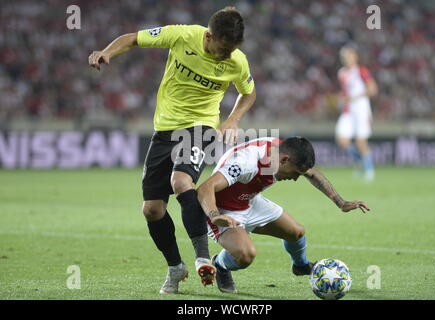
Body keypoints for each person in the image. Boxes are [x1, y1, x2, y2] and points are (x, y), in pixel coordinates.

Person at [88, 7, 256, 294]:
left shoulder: (237, 61)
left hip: (200, 127)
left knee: (180, 181)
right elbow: (133, 39)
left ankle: (204, 258)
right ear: (209, 36)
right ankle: (175, 267)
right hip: (164, 130)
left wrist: (232, 119)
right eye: (223, 48)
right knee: (152, 210)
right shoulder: (182, 35)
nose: (227, 55)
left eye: (232, 50)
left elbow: (249, 92)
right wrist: (107, 52)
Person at [197, 136, 370, 293]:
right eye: (295, 173)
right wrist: (214, 216)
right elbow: (205, 188)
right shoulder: (246, 162)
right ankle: (220, 265)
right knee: (246, 255)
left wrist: (341, 203)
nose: (295, 179)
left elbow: (312, 173)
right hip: (222, 210)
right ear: (284, 160)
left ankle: (300, 266)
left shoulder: (283, 152)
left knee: (296, 232)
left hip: (249, 201)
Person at [335, 45, 378, 182]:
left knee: (360, 141)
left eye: (348, 56)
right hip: (348, 111)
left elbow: (372, 89)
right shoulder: (341, 73)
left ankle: (369, 171)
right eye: (344, 56)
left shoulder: (361, 71)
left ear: (355, 56)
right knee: (342, 141)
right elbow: (345, 92)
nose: (346, 59)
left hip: (361, 110)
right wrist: (340, 98)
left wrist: (354, 97)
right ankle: (361, 162)